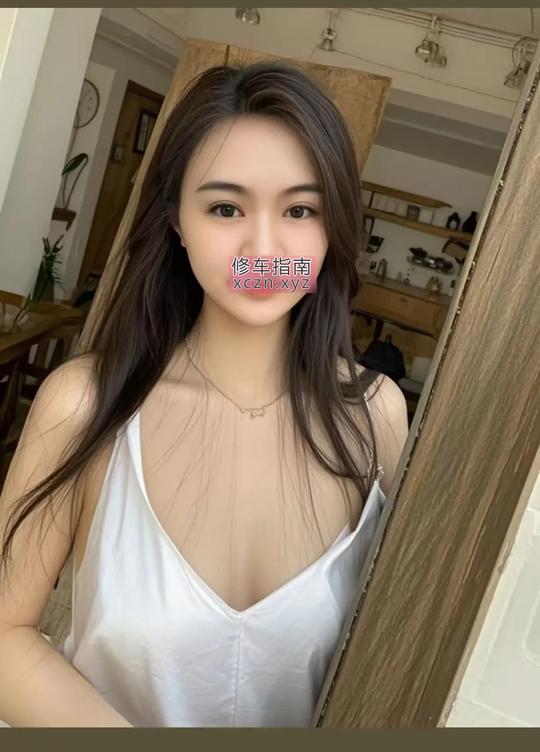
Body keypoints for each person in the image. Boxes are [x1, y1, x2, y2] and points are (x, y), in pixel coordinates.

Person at [0, 61, 409, 727]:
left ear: (330, 227)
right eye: (225, 208)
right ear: (176, 221)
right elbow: (5, 636)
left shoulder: (376, 415)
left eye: (299, 210)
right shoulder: (84, 403)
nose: (263, 248)